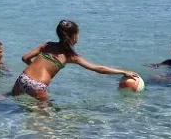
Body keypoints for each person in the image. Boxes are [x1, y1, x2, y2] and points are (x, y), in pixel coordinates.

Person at [12, 20, 140, 101]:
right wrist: (123, 71)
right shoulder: (71, 56)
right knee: (48, 115)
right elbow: (98, 68)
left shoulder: (46, 45)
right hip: (37, 86)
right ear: (73, 37)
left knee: (9, 99)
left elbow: (25, 58)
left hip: (23, 78)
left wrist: (34, 70)